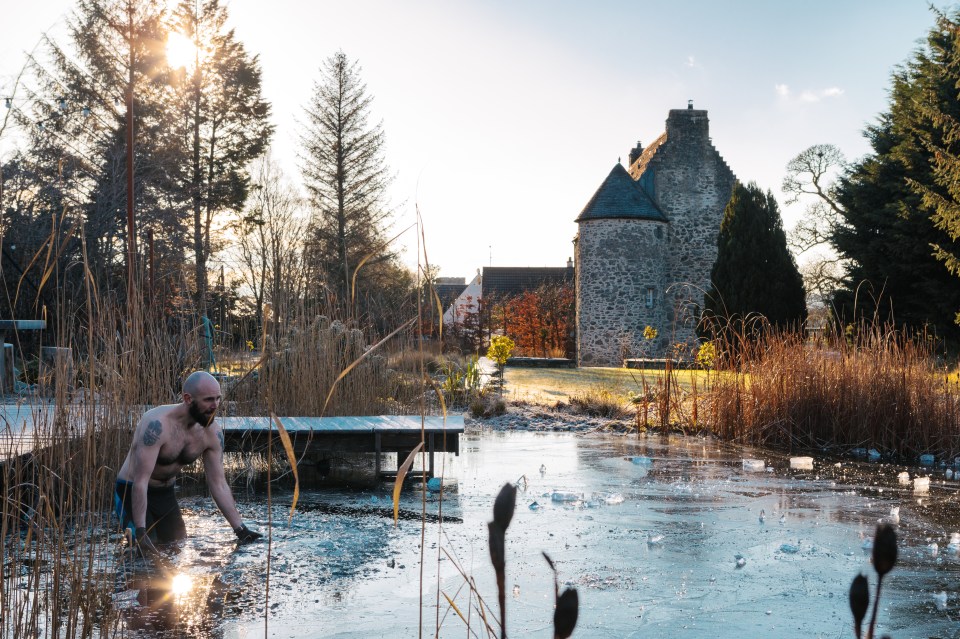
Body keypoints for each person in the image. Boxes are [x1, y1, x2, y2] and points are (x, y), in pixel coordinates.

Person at [115, 371, 262, 555]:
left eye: (218, 399)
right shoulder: (157, 425)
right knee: (146, 553)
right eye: (208, 400)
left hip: (165, 494)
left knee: (176, 548)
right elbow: (140, 481)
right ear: (188, 398)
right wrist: (141, 532)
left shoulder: (212, 433)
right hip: (131, 490)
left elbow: (218, 484)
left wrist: (241, 530)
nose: (215, 405)